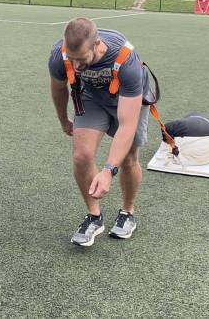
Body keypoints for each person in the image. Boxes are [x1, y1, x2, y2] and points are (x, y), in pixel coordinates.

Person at [49, 18, 150, 246]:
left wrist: (107, 171)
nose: (75, 66)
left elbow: (126, 125)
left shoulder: (126, 59)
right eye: (71, 59)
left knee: (128, 159)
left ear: (97, 44)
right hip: (91, 97)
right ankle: (94, 217)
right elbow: (57, 87)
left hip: (126, 99)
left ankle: (127, 212)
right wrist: (63, 119)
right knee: (81, 156)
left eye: (81, 59)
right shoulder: (59, 53)